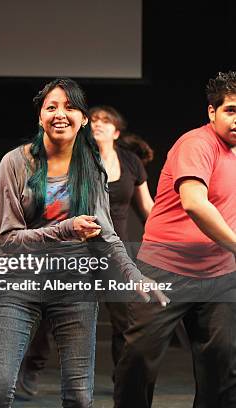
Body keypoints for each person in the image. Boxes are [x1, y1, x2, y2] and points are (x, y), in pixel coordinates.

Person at [0, 78, 167, 408]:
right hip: (19, 284)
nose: (60, 114)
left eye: (70, 107)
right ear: (40, 117)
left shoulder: (91, 167)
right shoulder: (15, 163)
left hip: (75, 284)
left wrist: (134, 276)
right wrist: (66, 229)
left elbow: (106, 234)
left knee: (80, 398)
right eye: (51, 107)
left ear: (82, 119)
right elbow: (9, 241)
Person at [113, 71, 236, 408]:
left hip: (218, 276)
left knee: (222, 366)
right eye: (231, 110)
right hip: (165, 270)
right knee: (138, 359)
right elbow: (195, 203)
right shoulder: (197, 144)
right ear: (212, 112)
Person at [15, 106, 156, 398]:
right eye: (96, 121)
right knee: (51, 313)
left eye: (107, 122)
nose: (99, 125)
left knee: (125, 321)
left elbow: (148, 209)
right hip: (74, 248)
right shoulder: (75, 158)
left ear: (116, 132)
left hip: (114, 252)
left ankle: (124, 379)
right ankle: (31, 368)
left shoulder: (131, 163)